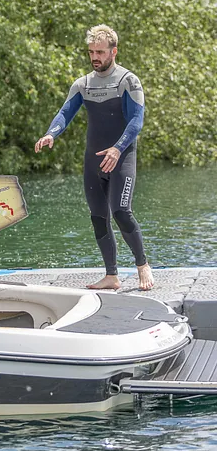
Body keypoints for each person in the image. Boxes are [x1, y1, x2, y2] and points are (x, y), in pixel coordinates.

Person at [34, 25, 154, 291]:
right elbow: (65, 112)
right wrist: (51, 134)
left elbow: (136, 121)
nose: (95, 57)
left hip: (121, 157)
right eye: (91, 52)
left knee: (121, 212)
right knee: (98, 217)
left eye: (100, 51)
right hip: (93, 160)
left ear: (114, 51)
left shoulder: (128, 81)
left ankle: (142, 264)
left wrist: (117, 148)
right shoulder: (83, 84)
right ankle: (111, 276)